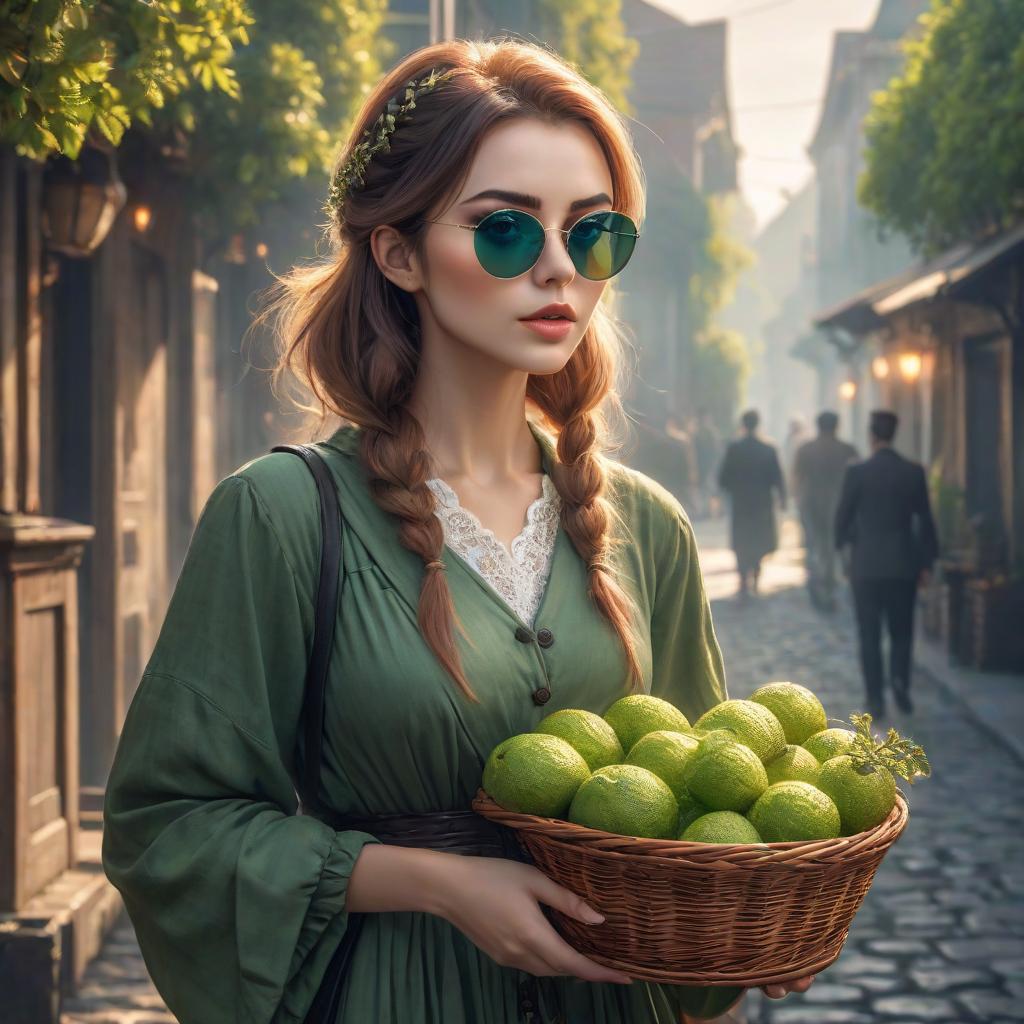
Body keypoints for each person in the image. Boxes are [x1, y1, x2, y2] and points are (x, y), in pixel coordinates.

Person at [100, 39, 813, 1024]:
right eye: (506, 231)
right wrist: (431, 881)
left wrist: (751, 911)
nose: (561, 268)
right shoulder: (278, 513)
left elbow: (697, 827)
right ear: (397, 252)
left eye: (594, 233)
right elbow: (166, 825)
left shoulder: (647, 525)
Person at [834, 410, 939, 720]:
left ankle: (875, 698)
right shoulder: (913, 472)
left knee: (869, 634)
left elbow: (842, 520)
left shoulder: (857, 472)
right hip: (903, 564)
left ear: (872, 435)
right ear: (895, 434)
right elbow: (926, 523)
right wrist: (926, 563)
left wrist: (847, 549)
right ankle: (901, 685)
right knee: (902, 631)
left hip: (865, 566)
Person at [793, 411, 859, 612]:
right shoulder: (847, 450)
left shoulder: (805, 449)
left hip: (811, 501)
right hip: (838, 503)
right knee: (833, 545)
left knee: (814, 543)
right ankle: (829, 583)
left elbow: (796, 477)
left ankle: (817, 579)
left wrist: (798, 501)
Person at [717, 409, 786, 598]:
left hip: (741, 501)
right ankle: (755, 573)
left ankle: (743, 579)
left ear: (743, 424)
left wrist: (725, 494)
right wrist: (782, 498)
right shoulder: (768, 448)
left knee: (742, 540)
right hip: (762, 502)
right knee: (758, 538)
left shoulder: (734, 449)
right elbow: (777, 477)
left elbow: (723, 478)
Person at [692, 408, 721, 519]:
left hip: (705, 465)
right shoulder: (709, 433)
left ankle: (708, 513)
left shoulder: (702, 433)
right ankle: (708, 513)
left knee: (707, 490)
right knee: (707, 490)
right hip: (705, 466)